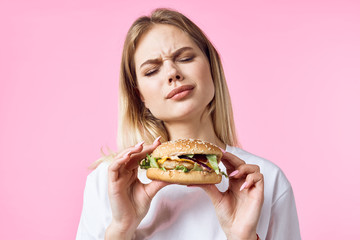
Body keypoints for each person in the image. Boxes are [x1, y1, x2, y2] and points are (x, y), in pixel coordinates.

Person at [76, 8, 301, 240]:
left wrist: (241, 237)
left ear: (211, 67)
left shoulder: (264, 181)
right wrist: (122, 228)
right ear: (139, 95)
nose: (172, 72)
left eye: (185, 58)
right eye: (152, 70)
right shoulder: (108, 182)